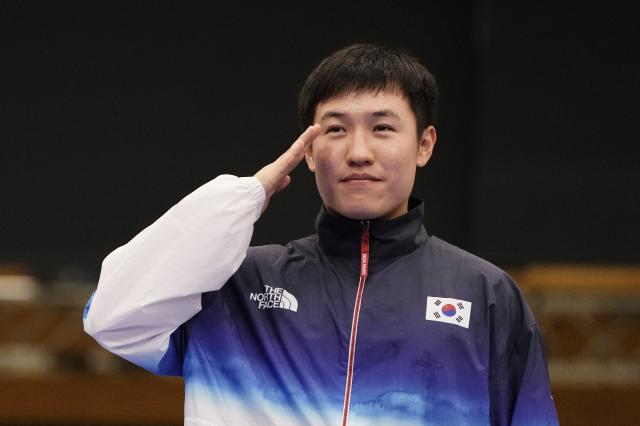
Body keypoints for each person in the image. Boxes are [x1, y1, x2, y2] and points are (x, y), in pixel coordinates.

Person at [83, 43, 559, 425]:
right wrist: (241, 199)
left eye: (383, 128)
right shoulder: (235, 284)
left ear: (425, 145)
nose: (358, 152)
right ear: (308, 151)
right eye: (335, 129)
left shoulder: (487, 295)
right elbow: (111, 316)